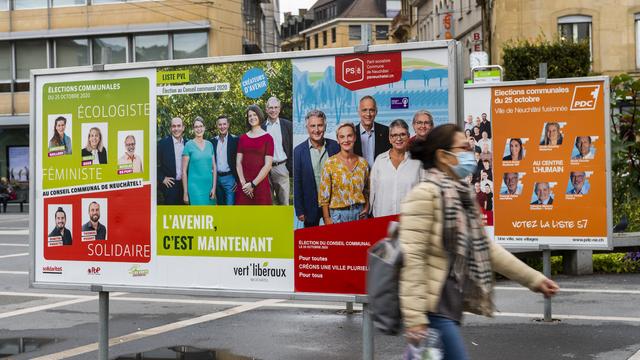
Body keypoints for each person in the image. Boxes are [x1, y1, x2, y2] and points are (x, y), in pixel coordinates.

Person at [399, 124, 559, 360]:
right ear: (443, 156)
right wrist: (415, 319)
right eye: (463, 147)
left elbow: (485, 249)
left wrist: (534, 279)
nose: (470, 152)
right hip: (433, 309)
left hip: (450, 307)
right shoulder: (424, 195)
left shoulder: (460, 195)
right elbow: (411, 259)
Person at [293, 109, 340, 227]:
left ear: (325, 126)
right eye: (312, 126)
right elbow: (297, 182)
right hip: (310, 206)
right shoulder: (298, 151)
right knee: (311, 241)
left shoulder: (335, 146)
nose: (316, 130)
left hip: (333, 205)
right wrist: (299, 209)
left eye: (320, 125)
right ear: (307, 128)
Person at [319, 122, 369, 224]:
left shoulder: (363, 163)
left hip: (359, 214)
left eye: (349, 136)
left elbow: (366, 190)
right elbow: (324, 196)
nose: (346, 140)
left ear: (355, 137)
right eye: (342, 137)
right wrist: (327, 218)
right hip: (338, 215)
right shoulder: (330, 163)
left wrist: (367, 207)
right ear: (338, 140)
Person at [370, 119, 421, 217]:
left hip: (409, 220)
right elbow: (373, 190)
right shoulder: (380, 160)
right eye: (394, 135)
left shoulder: (417, 162)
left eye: (402, 134)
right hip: (382, 219)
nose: (399, 138)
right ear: (389, 138)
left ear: (408, 136)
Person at [236, 105, 274, 205]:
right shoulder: (243, 138)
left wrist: (253, 184)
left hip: (260, 183)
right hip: (244, 185)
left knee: (261, 218)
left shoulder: (268, 138)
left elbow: (268, 165)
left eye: (254, 114)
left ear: (259, 115)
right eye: (249, 116)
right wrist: (244, 184)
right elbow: (238, 162)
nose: (252, 117)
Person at [263, 97, 293, 205]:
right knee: (268, 202)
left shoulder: (288, 125)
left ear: (279, 109)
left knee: (284, 202)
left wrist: (288, 167)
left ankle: (284, 222)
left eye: (276, 107)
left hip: (281, 168)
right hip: (265, 170)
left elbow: (292, 147)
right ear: (266, 110)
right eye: (270, 108)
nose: (273, 110)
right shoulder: (262, 127)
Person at [182, 117, 216, 205]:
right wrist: (185, 193)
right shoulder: (188, 145)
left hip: (209, 186)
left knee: (210, 215)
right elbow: (184, 171)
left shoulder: (210, 145)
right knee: (198, 215)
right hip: (194, 187)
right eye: (196, 127)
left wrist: (214, 188)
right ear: (193, 129)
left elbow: (214, 168)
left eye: (201, 126)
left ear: (204, 128)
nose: (199, 129)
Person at [353, 96, 390, 165]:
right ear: (359, 112)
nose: (368, 114)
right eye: (364, 110)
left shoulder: (386, 131)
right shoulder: (352, 133)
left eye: (371, 110)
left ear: (376, 112)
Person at [158, 117, 187, 205]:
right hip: (170, 186)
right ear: (170, 128)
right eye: (173, 126)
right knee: (171, 215)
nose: (176, 129)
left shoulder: (188, 144)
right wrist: (162, 178)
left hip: (185, 186)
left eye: (179, 126)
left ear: (183, 128)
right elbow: (154, 164)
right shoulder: (163, 144)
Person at [211, 115, 239, 205]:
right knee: (220, 204)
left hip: (230, 178)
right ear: (217, 126)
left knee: (230, 205)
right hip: (216, 178)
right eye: (220, 124)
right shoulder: (213, 141)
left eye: (224, 124)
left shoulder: (235, 140)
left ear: (228, 125)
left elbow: (239, 161)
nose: (222, 126)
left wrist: (238, 180)